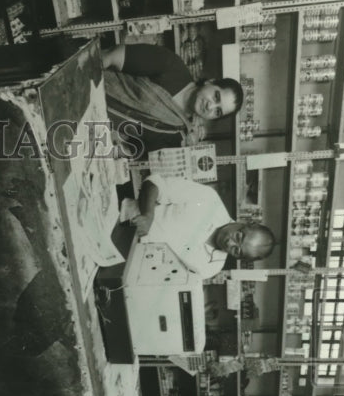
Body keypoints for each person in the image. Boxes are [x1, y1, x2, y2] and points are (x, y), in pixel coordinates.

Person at [101, 42, 244, 160]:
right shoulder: (173, 67)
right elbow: (115, 55)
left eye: (217, 111)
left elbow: (133, 149)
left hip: (94, 132)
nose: (210, 106)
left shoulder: (178, 136)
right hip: (94, 88)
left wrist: (113, 150)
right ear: (210, 82)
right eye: (216, 96)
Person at [129, 174, 276, 279]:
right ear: (248, 222)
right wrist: (148, 215)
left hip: (130, 265)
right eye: (238, 236)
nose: (230, 243)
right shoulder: (208, 199)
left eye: (236, 250)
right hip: (123, 221)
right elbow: (154, 183)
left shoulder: (211, 268)